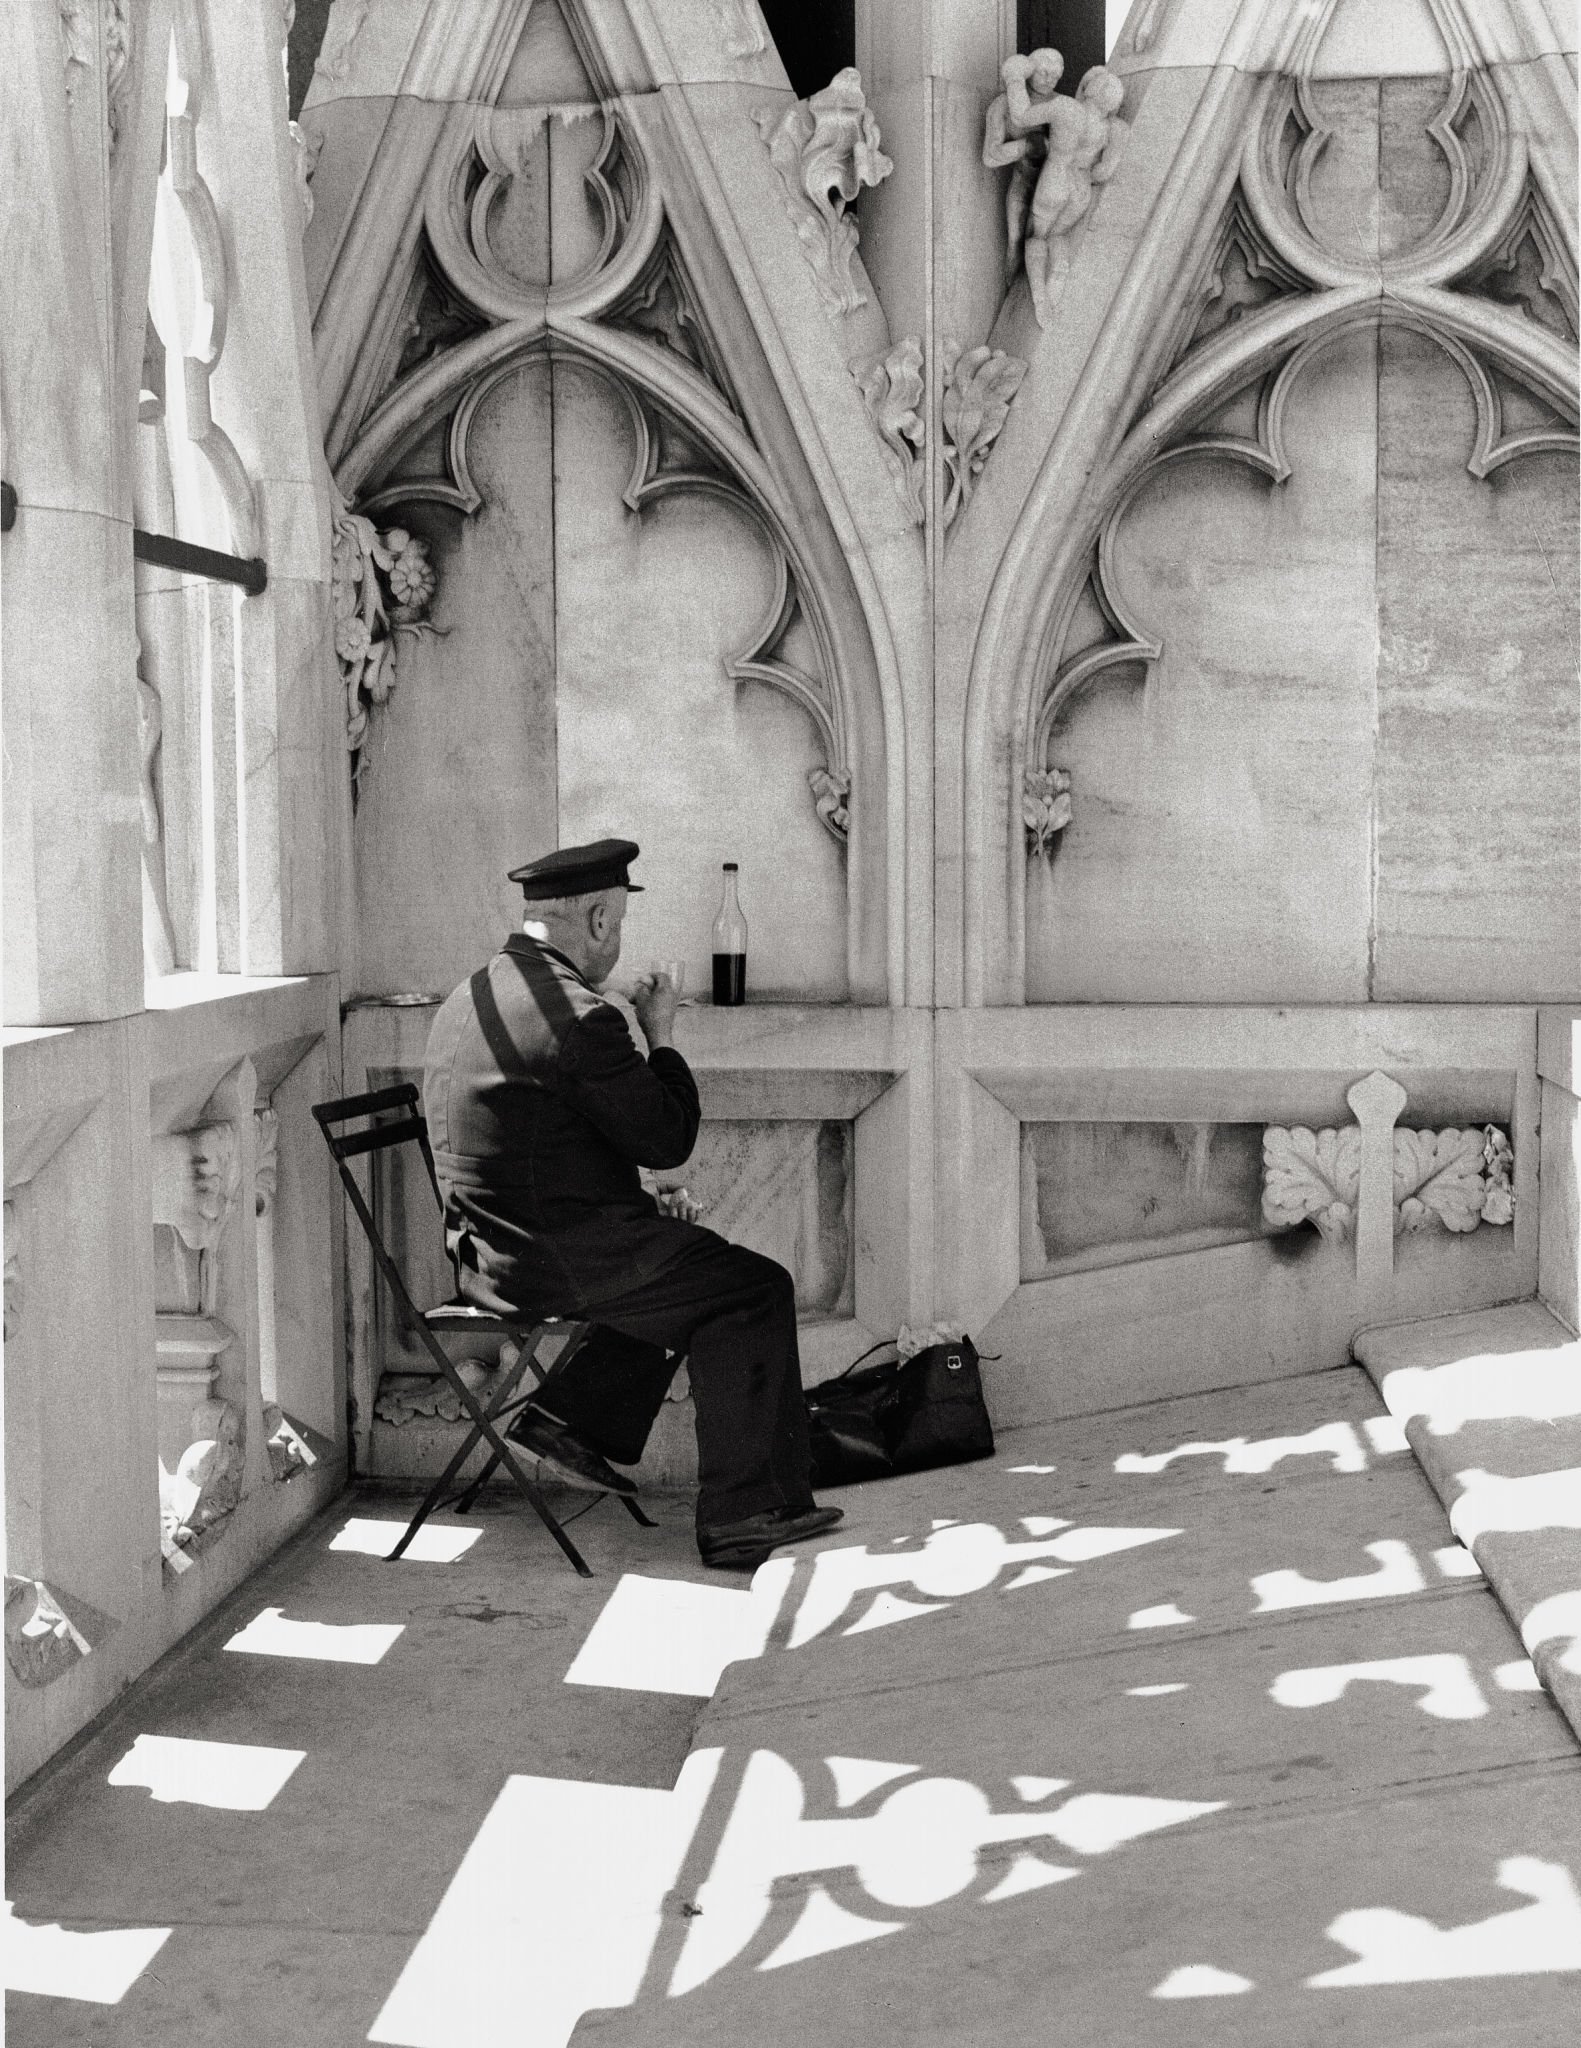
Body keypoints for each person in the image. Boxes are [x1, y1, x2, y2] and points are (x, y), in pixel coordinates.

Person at [421, 838, 842, 1571]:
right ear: (593, 919)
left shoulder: (471, 995)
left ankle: (570, 1422)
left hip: (484, 1252)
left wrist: (636, 1202)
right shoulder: (581, 1015)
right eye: (615, 926)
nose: (615, 944)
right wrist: (663, 1035)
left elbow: (536, 1141)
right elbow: (667, 1136)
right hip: (550, 1262)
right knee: (751, 1290)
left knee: (685, 1260)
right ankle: (746, 1514)